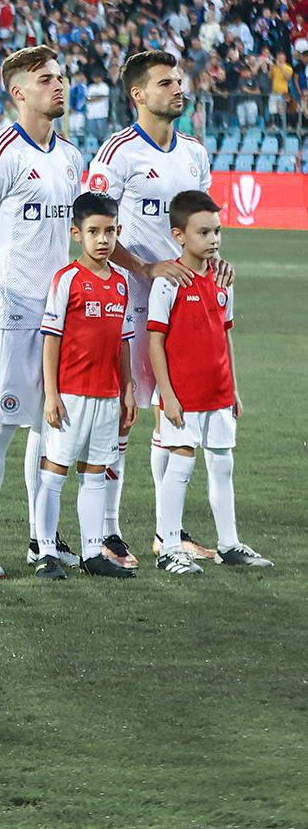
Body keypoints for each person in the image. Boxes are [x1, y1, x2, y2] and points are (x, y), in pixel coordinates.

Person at [87, 51, 223, 566]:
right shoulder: (117, 153)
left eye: (179, 80)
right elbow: (92, 227)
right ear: (138, 94)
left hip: (180, 307)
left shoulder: (193, 153)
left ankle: (170, 533)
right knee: (121, 416)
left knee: (174, 411)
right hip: (124, 303)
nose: (178, 88)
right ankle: (109, 532)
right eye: (166, 82)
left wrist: (213, 265)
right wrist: (144, 268)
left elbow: (201, 224)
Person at [0, 45, 87, 580]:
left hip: (57, 315)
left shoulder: (71, 157)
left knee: (48, 425)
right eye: (45, 79)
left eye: (60, 77)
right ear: (18, 93)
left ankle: (42, 538)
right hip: (10, 315)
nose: (58, 86)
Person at [148, 191, 270, 572]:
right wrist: (167, 395)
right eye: (203, 232)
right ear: (179, 236)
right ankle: (170, 547)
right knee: (181, 465)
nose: (213, 239)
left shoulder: (222, 279)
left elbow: (224, 334)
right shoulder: (168, 283)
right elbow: (155, 342)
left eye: (217, 231)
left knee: (222, 465)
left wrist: (233, 388)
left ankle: (229, 544)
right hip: (183, 396)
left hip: (218, 393)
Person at [32, 192, 136, 581]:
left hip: (108, 394)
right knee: (55, 470)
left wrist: (127, 388)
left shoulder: (122, 283)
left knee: (95, 472)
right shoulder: (68, 280)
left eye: (109, 231)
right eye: (93, 231)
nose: (102, 239)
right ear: (77, 233)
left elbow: (124, 341)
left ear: (118, 231)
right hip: (71, 394)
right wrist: (52, 394)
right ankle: (45, 552)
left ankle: (93, 552)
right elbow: (51, 339)